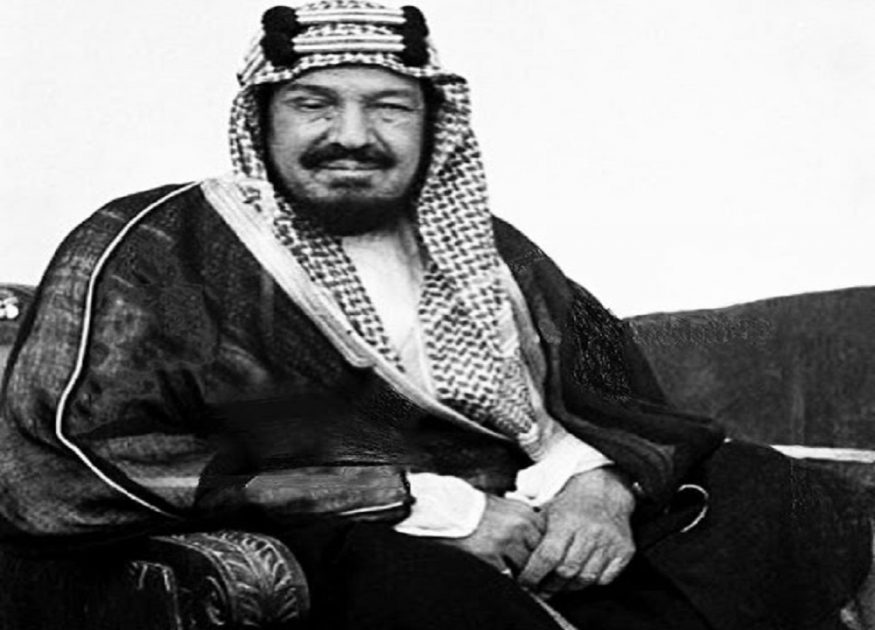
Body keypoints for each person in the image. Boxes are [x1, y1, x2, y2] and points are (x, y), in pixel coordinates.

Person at [0, 2, 871, 628]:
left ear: (430, 123)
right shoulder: (155, 247)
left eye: (387, 106)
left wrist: (596, 488)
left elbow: (606, 396)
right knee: (406, 585)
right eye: (313, 104)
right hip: (350, 537)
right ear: (261, 122)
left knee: (772, 492)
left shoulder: (492, 247)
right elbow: (72, 452)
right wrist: (427, 508)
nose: (351, 134)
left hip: (539, 524)